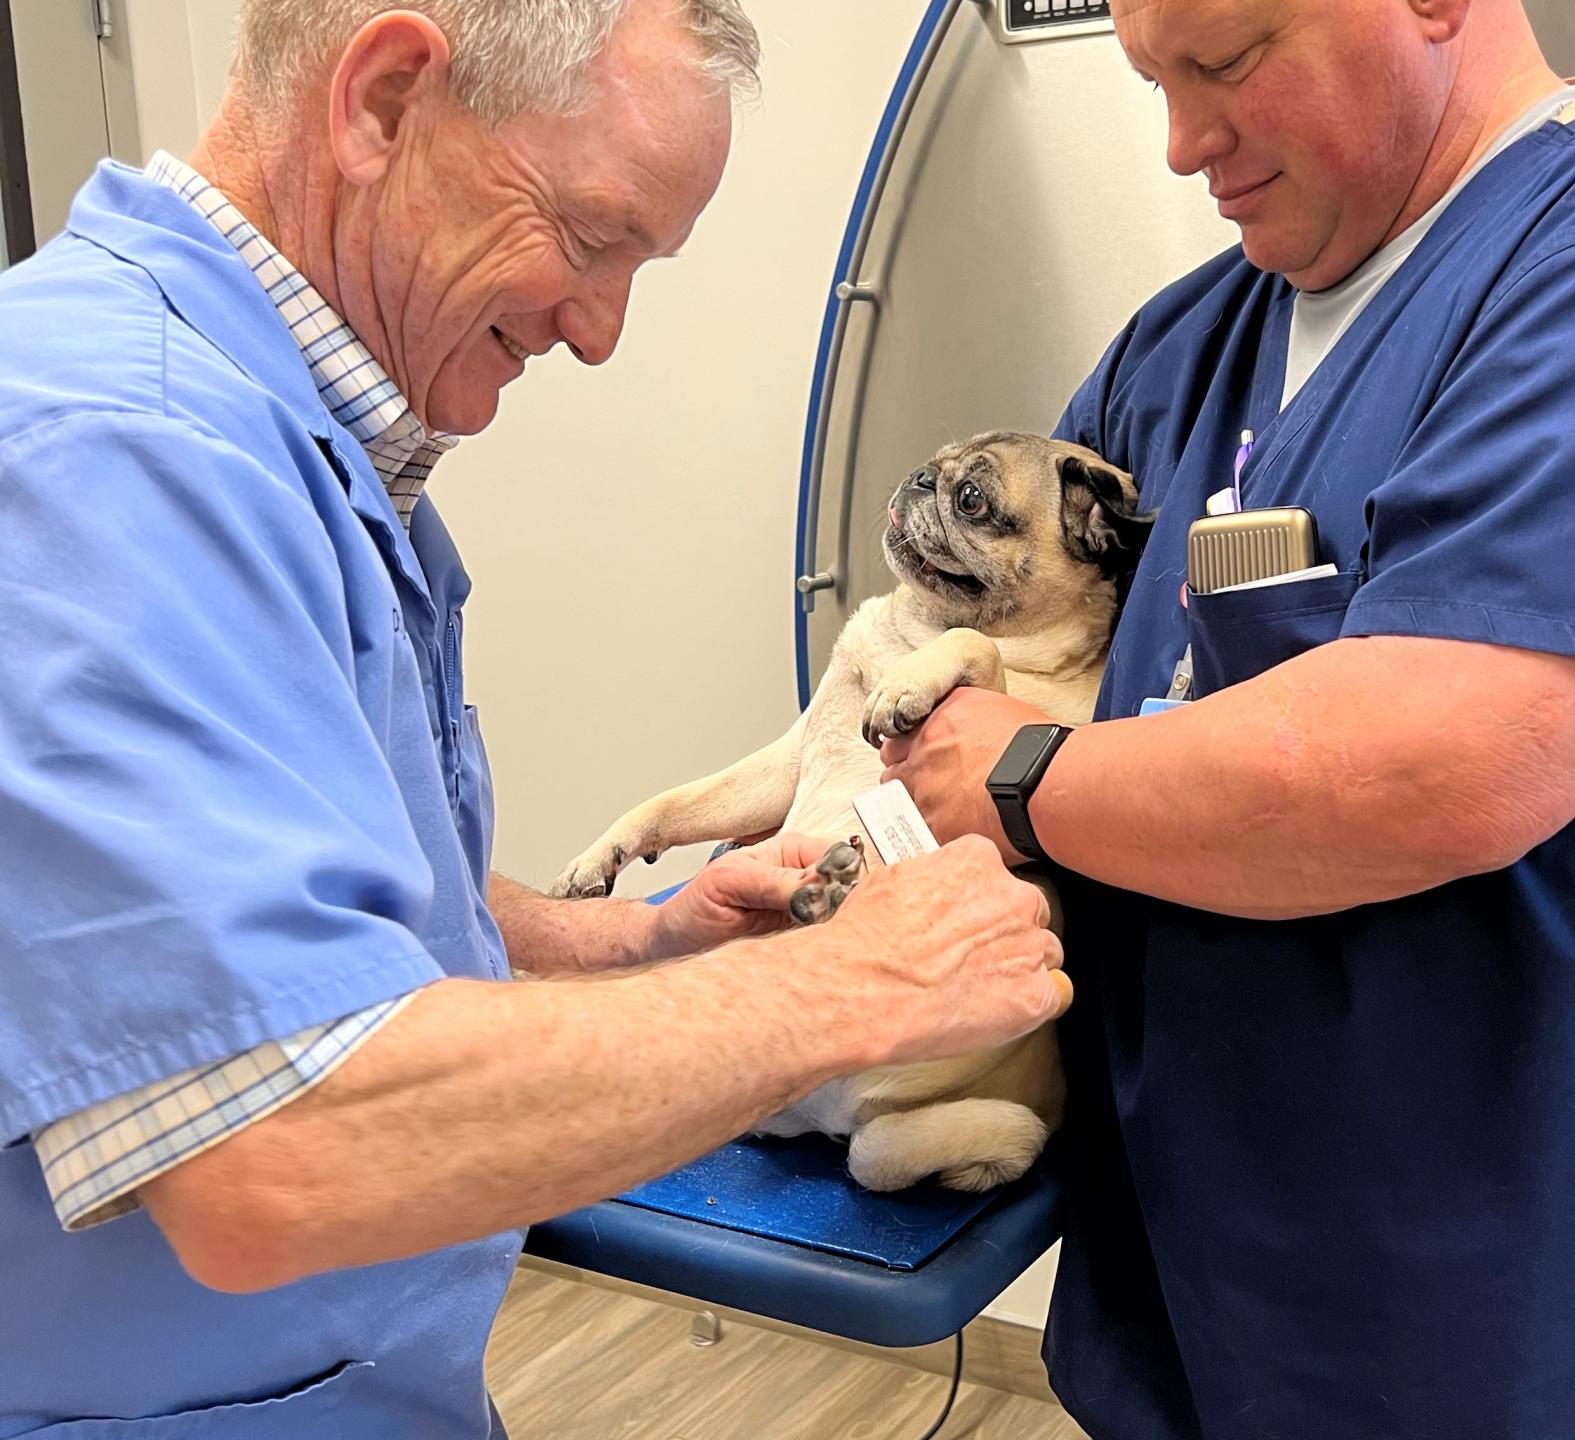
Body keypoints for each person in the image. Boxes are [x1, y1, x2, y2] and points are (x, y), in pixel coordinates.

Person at [0, 2, 1068, 1435]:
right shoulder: (120, 455)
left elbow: (279, 900)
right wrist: (853, 986)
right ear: (384, 99)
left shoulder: (299, 448)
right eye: (592, 236)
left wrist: (620, 941)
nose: (599, 329)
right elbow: (278, 1147)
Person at [883, 1, 1575, 1437]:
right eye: (1153, 81)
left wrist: (1021, 774)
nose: (1182, 144)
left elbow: (1452, 763)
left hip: (1555, 1345)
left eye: (1226, 64)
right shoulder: (1179, 355)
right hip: (1207, 1317)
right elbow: (1019, 659)